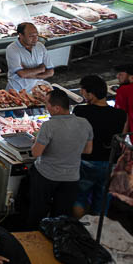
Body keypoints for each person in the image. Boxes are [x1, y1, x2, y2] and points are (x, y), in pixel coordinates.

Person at [28, 88, 93, 226]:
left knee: (38, 210)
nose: (46, 107)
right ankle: (55, 240)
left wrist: (35, 141)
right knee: (61, 215)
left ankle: (34, 236)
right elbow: (88, 150)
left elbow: (36, 153)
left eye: (47, 104)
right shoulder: (85, 123)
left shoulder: (48, 126)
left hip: (46, 176)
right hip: (71, 178)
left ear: (57, 108)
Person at [73, 74, 126, 216]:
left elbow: (76, 136)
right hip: (110, 163)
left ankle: (77, 229)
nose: (81, 94)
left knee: (79, 198)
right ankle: (96, 230)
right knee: (102, 199)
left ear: (91, 94)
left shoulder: (80, 111)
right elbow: (122, 138)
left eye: (82, 91)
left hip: (87, 161)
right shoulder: (121, 114)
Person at [5, 22, 53, 92]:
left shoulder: (40, 46)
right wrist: (41, 69)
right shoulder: (12, 49)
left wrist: (31, 74)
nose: (35, 39)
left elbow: (50, 72)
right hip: (17, 90)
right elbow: (22, 74)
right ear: (21, 35)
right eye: (31, 36)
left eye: (36, 35)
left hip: (37, 90)